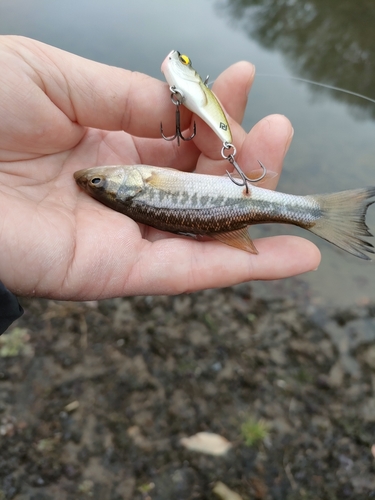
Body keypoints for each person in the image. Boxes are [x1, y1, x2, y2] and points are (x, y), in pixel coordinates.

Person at [0, 36, 320, 334]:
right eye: (97, 182)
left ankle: (310, 214)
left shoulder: (138, 186)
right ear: (130, 186)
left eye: (96, 182)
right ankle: (312, 212)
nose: (91, 178)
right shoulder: (141, 184)